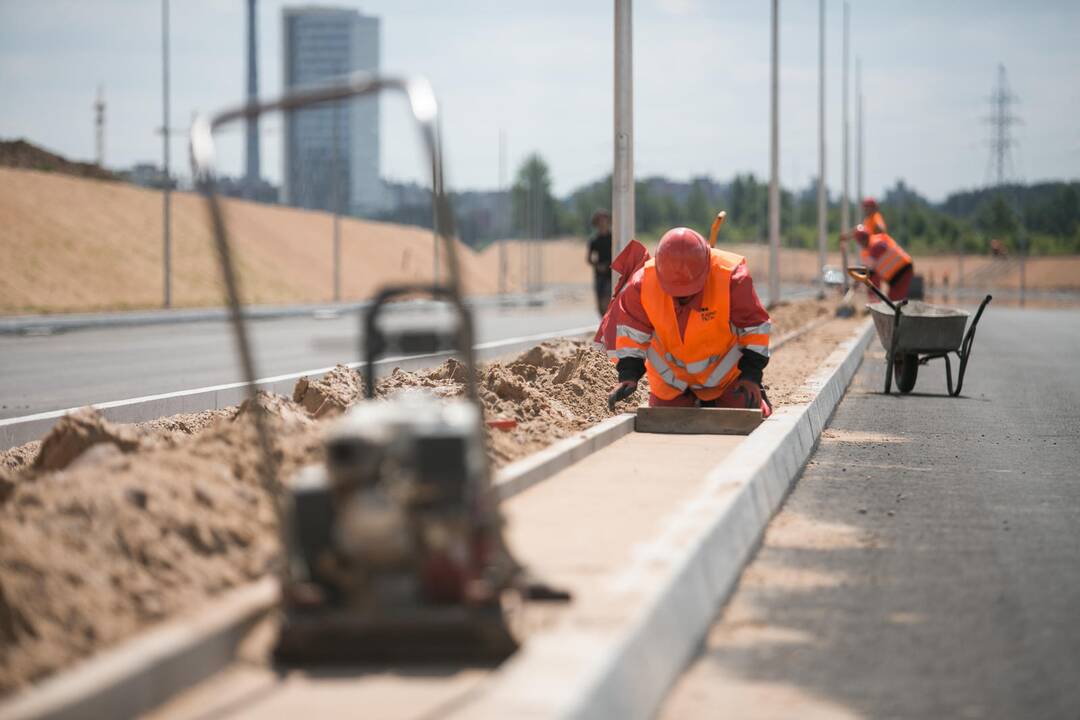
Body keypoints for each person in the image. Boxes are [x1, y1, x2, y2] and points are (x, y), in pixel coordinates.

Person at [607, 227, 772, 415]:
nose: (682, 299)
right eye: (676, 294)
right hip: (672, 383)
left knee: (746, 412)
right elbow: (631, 335)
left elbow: (755, 329)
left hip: (728, 380)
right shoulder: (641, 285)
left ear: (706, 271)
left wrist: (751, 375)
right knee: (666, 420)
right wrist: (629, 374)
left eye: (689, 293)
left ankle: (748, 395)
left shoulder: (731, 277)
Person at [851, 224, 914, 301]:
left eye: (863, 238)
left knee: (894, 302)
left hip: (903, 270)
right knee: (893, 300)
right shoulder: (869, 249)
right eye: (860, 239)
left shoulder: (876, 244)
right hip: (896, 275)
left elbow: (868, 269)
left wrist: (858, 280)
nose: (861, 242)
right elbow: (871, 273)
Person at [587, 209, 613, 314]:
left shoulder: (613, 238)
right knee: (600, 307)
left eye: (604, 220)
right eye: (600, 221)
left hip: (612, 274)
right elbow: (589, 258)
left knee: (607, 301)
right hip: (600, 275)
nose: (602, 223)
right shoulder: (594, 240)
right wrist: (597, 266)